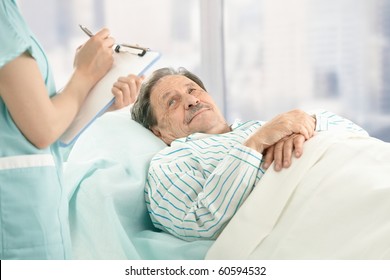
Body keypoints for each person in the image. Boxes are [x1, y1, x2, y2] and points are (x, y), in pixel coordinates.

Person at [131, 67, 368, 242]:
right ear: (158, 131)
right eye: (172, 102)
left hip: (358, 170)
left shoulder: (267, 124)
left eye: (193, 90)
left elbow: (361, 137)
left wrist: (308, 125)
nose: (192, 100)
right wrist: (256, 143)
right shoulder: (170, 161)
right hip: (322, 211)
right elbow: (199, 223)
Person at [0, 0, 142, 259]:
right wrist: (85, 73)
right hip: (16, 225)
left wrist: (94, 95)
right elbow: (43, 129)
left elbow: (35, 117)